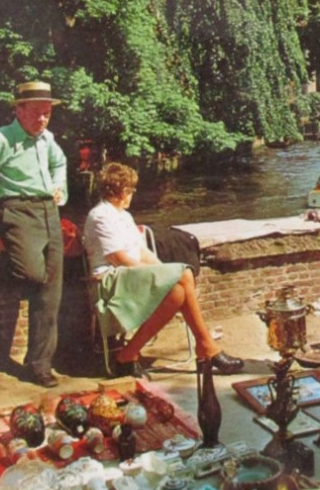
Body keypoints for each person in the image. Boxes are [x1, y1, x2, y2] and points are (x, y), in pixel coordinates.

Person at [83, 162, 244, 378]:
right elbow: (118, 258)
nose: (132, 194)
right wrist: (161, 276)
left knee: (177, 289)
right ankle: (206, 347)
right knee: (183, 274)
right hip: (110, 281)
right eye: (130, 190)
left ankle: (128, 355)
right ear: (122, 191)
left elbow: (141, 251)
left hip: (129, 276)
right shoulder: (101, 215)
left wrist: (164, 271)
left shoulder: (123, 216)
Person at [0, 80, 67, 388]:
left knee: (51, 295)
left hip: (49, 211)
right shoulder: (0, 140)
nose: (42, 120)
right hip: (17, 212)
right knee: (34, 275)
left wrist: (58, 187)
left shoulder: (47, 139)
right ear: (18, 110)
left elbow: (60, 163)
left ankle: (39, 366)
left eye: (47, 113)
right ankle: (37, 360)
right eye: (36, 113)